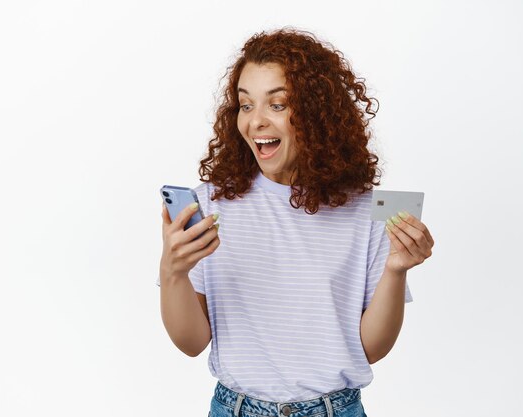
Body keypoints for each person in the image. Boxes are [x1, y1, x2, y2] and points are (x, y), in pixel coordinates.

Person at [157, 28, 434, 417]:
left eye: (278, 104)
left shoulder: (367, 211)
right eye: (246, 105)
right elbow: (191, 342)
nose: (256, 122)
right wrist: (173, 272)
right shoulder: (210, 203)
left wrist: (396, 269)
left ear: (317, 112)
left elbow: (371, 349)